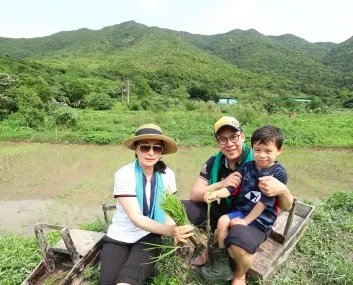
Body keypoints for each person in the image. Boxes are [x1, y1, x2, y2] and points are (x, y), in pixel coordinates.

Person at [182, 116, 293, 285]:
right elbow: (196, 193)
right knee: (184, 207)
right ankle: (216, 258)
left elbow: (283, 205)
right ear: (218, 142)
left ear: (242, 137)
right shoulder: (216, 162)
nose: (229, 143)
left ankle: (239, 274)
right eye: (223, 139)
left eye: (234, 137)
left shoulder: (260, 164)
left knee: (236, 240)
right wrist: (219, 188)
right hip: (230, 209)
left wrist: (283, 190)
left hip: (253, 215)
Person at [99, 123, 194, 285]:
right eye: (145, 147)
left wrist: (175, 231)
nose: (151, 153)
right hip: (119, 236)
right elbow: (136, 218)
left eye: (156, 148)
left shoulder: (167, 175)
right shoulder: (124, 174)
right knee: (107, 282)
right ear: (135, 149)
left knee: (127, 281)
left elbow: (168, 210)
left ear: (161, 152)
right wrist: (172, 231)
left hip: (149, 236)